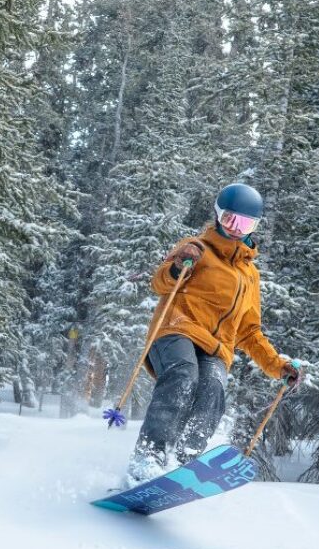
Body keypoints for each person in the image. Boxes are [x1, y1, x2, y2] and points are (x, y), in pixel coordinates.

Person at [127, 183, 302, 482]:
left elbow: (249, 331)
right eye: (231, 220)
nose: (236, 229)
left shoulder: (250, 275)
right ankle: (149, 456)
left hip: (216, 348)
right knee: (184, 375)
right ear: (219, 216)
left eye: (245, 223)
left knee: (213, 388)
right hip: (177, 330)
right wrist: (178, 265)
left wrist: (278, 366)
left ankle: (185, 461)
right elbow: (159, 284)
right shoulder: (197, 248)